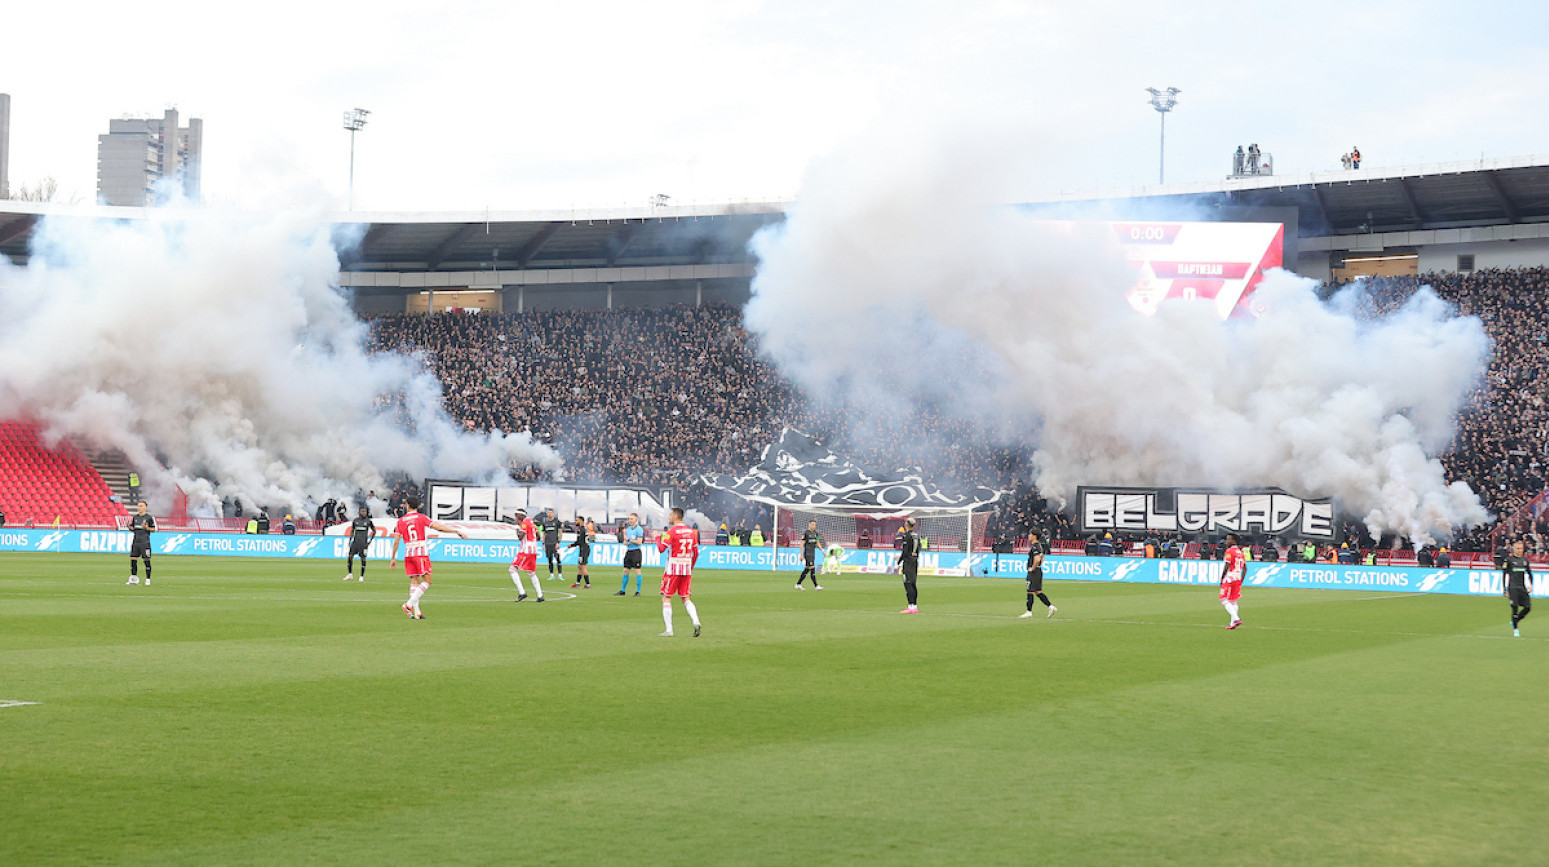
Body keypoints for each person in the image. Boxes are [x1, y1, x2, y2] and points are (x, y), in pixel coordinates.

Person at [388, 494, 468, 619]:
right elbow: (438, 528)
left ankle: (417, 612)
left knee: (415, 581)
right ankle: (408, 604)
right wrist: (455, 531)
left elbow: (397, 540)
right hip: (420, 551)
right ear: (417, 506)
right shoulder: (421, 517)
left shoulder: (401, 521)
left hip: (408, 552)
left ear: (408, 506)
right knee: (427, 581)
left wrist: (393, 558)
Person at [657, 507, 702, 637]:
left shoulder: (672, 532)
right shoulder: (690, 531)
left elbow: (661, 549)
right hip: (686, 568)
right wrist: (691, 566)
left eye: (670, 515)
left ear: (676, 516)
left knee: (666, 597)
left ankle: (669, 629)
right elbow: (696, 552)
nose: (669, 517)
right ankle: (696, 621)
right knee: (686, 598)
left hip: (673, 568)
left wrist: (657, 538)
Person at [508, 508, 546, 602]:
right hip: (534, 549)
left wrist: (517, 528)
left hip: (526, 549)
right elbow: (538, 537)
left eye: (517, 515)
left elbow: (520, 537)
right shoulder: (531, 522)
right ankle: (540, 595)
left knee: (512, 569)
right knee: (531, 572)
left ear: (522, 515)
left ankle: (522, 592)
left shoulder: (524, 523)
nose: (516, 517)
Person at [1019, 529, 1057, 619]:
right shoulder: (1039, 546)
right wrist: (1039, 565)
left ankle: (1029, 612)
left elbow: (1037, 559)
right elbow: (1043, 556)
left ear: (1034, 536)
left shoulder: (1035, 546)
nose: (1029, 536)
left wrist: (1032, 568)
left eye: (1030, 534)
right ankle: (1051, 607)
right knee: (1038, 592)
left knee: (1030, 591)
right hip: (1039, 571)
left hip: (1034, 572)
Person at [1503, 538, 1533, 637]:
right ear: (1514, 549)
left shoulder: (1525, 560)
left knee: (1528, 608)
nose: (1520, 550)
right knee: (1514, 608)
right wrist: (1505, 588)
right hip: (1513, 588)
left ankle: (1515, 621)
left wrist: (1531, 585)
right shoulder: (1509, 560)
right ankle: (1516, 629)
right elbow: (1504, 575)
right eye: (1518, 548)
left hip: (1522, 587)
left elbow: (1529, 574)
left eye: (1521, 548)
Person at [344, 505, 378, 581]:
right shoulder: (355, 521)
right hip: (355, 542)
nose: (364, 513)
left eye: (365, 511)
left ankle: (361, 576)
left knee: (363, 558)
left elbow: (374, 531)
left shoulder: (368, 521)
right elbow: (352, 530)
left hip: (363, 543)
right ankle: (350, 574)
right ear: (359, 512)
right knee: (350, 556)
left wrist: (370, 541)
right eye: (362, 511)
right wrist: (350, 540)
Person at [126, 501, 156, 586]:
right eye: (138, 506)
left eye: (141, 506)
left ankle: (148, 579)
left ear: (145, 507)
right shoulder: (135, 517)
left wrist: (147, 528)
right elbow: (133, 528)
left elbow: (153, 529)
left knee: (146, 560)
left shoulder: (149, 518)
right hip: (136, 542)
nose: (139, 508)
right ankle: (133, 579)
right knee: (133, 560)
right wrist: (129, 527)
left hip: (145, 542)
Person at [1219, 532, 1246, 629]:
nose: (1227, 541)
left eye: (1228, 539)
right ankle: (1232, 624)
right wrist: (1241, 579)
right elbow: (1245, 568)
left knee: (1223, 599)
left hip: (1230, 577)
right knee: (1233, 601)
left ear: (1233, 541)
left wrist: (1222, 578)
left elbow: (1227, 565)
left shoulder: (1229, 551)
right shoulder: (1240, 552)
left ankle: (1236, 618)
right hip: (1237, 577)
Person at [616, 512, 645, 596]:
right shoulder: (628, 529)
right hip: (629, 551)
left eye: (631, 519)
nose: (630, 520)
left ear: (636, 519)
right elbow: (626, 540)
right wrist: (625, 542)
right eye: (629, 519)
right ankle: (622, 590)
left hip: (636, 552)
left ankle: (638, 591)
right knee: (625, 571)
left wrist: (629, 540)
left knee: (637, 571)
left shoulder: (639, 529)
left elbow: (639, 542)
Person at [897, 517, 921, 614]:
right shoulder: (916, 535)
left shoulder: (906, 535)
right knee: (913, 584)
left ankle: (911, 606)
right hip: (914, 561)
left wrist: (899, 561)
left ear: (907, 525)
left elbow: (905, 550)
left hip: (908, 562)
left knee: (907, 584)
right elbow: (919, 548)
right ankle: (914, 606)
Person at [568, 515, 595, 589]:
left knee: (583, 566)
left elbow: (579, 541)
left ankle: (588, 584)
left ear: (581, 521)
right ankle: (577, 583)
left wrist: (572, 545)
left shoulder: (581, 529)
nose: (575, 522)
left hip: (584, 549)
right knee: (580, 566)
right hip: (584, 548)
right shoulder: (584, 529)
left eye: (576, 520)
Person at [796, 519, 824, 590]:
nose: (814, 526)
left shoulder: (815, 533)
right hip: (807, 553)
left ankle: (798, 584)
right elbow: (802, 544)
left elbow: (817, 542)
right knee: (812, 568)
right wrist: (801, 554)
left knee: (807, 569)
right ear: (809, 524)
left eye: (815, 525)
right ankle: (816, 586)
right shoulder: (805, 533)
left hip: (812, 553)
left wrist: (823, 551)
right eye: (813, 524)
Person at [539, 507, 564, 582]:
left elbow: (560, 532)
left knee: (558, 559)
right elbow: (544, 533)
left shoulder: (557, 522)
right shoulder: (545, 523)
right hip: (547, 543)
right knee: (550, 560)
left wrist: (558, 542)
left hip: (554, 543)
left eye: (551, 513)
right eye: (548, 513)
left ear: (553, 513)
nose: (549, 514)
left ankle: (560, 575)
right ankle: (551, 575)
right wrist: (543, 543)